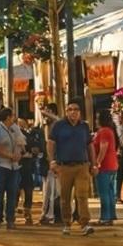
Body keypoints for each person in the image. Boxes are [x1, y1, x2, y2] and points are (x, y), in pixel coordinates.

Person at [48, 99, 96, 236]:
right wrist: (52, 161)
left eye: (76, 110)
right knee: (65, 196)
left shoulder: (84, 127)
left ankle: (85, 223)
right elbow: (51, 143)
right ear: (66, 112)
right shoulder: (59, 126)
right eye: (70, 110)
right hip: (64, 167)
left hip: (82, 166)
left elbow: (90, 145)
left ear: (80, 112)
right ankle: (67, 223)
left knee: (82, 195)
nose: (73, 112)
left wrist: (94, 163)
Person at [0, 107, 22, 230]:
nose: (14, 118)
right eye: (12, 116)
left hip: (13, 166)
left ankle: (10, 219)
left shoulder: (15, 128)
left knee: (12, 192)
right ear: (8, 117)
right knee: (0, 192)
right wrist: (11, 156)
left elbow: (21, 142)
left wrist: (19, 153)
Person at [94, 109, 121, 225]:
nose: (95, 120)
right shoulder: (110, 131)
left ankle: (105, 217)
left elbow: (103, 148)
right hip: (112, 165)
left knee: (104, 192)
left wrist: (97, 162)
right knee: (109, 191)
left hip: (105, 166)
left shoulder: (104, 131)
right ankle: (111, 214)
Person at [38, 101, 61, 224]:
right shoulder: (45, 127)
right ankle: (47, 214)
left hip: (57, 163)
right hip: (46, 163)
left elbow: (58, 120)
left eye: (49, 112)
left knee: (56, 191)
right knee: (48, 191)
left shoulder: (59, 125)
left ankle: (54, 215)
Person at [18, 117, 43, 226]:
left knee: (28, 190)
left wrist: (31, 153)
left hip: (26, 167)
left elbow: (36, 150)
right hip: (16, 167)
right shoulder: (12, 135)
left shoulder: (29, 136)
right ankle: (12, 214)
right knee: (16, 191)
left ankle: (27, 213)